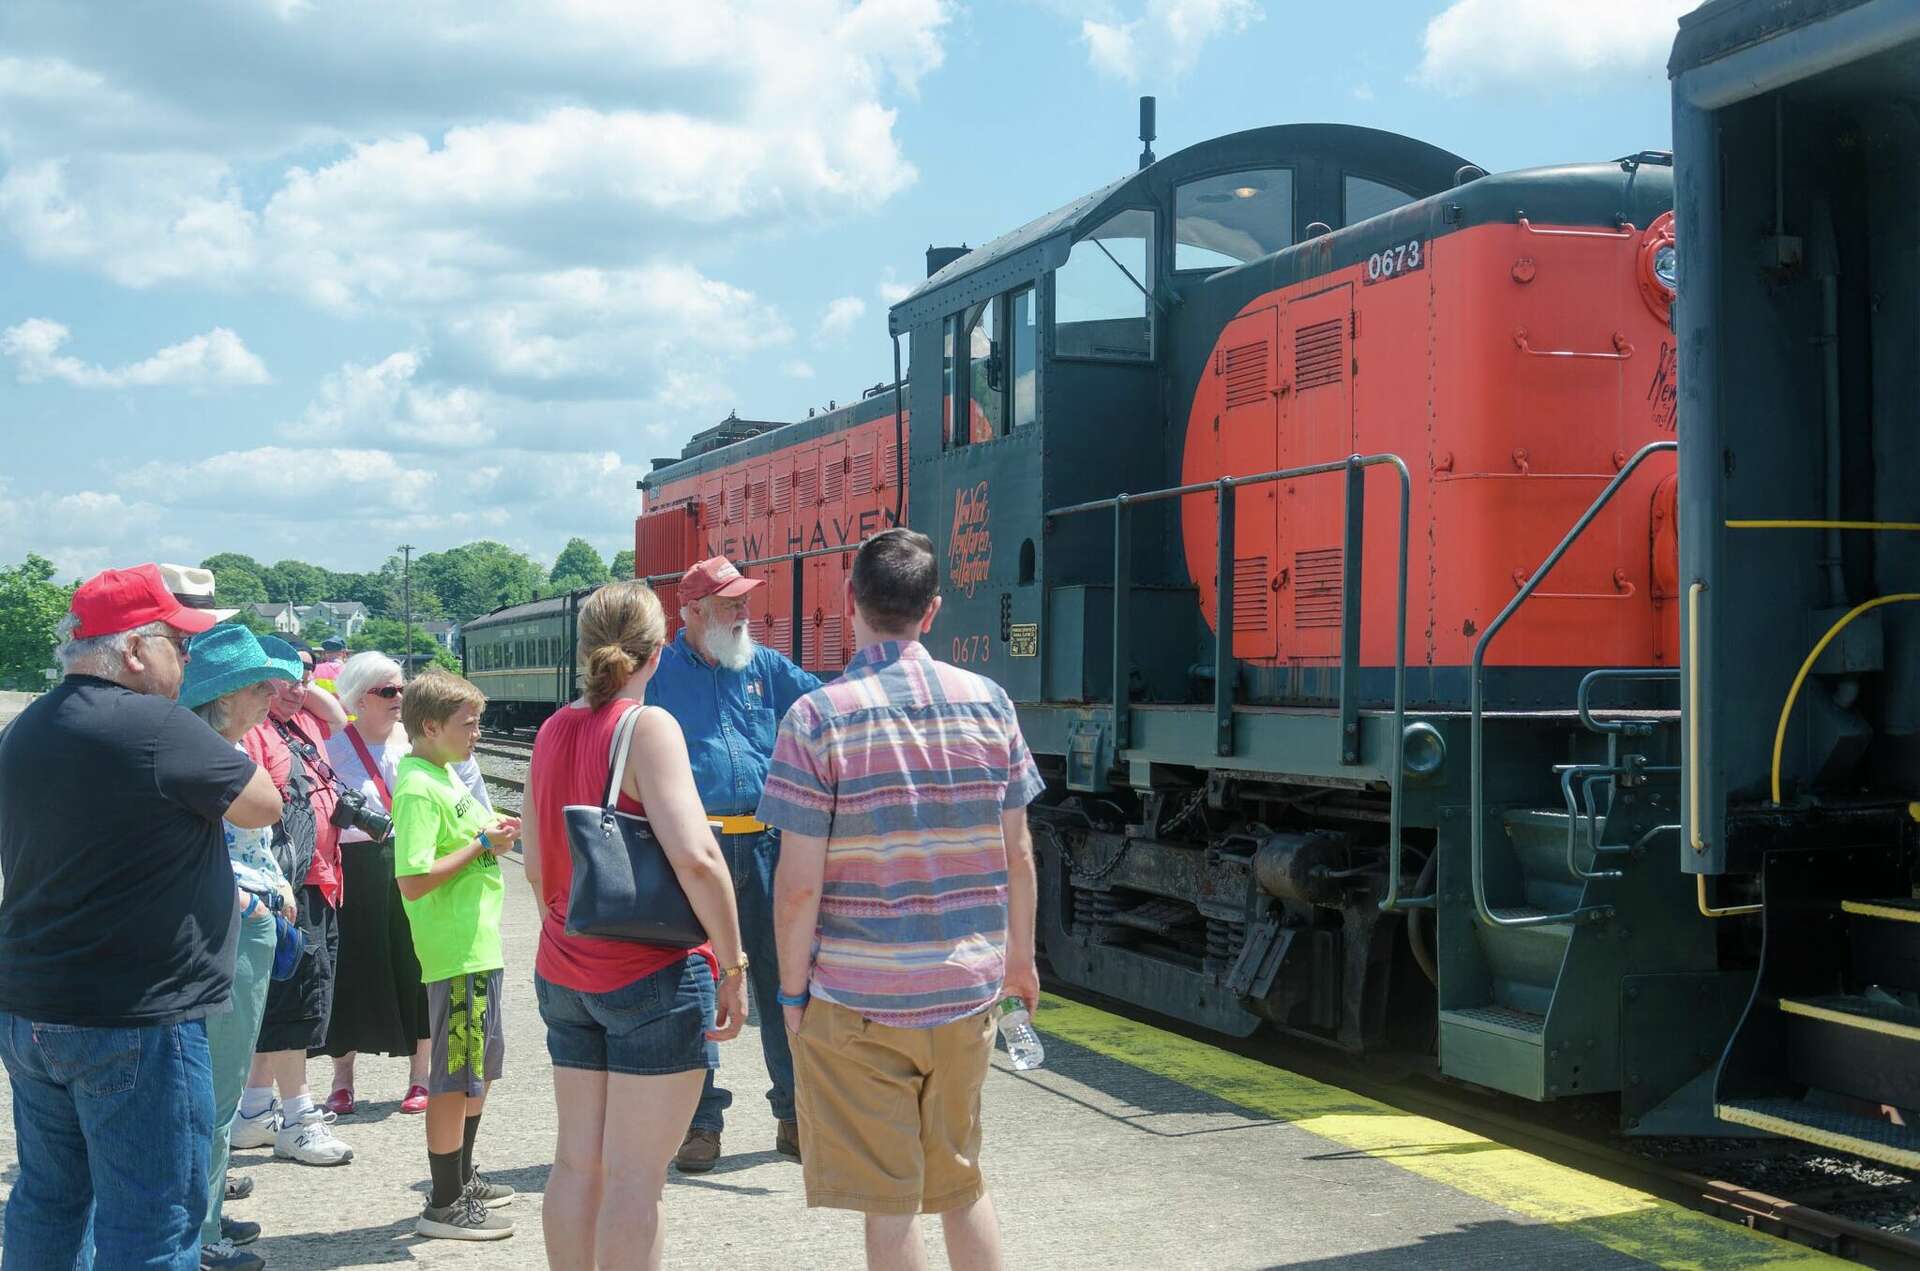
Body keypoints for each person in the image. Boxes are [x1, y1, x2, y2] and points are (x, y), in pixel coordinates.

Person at [761, 529, 1045, 1271]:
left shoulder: (817, 718)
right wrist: (1021, 960)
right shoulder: (991, 703)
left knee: (888, 1204)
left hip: (859, 999)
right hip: (965, 987)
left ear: (848, 600)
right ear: (934, 610)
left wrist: (792, 994)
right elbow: (1018, 852)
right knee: (960, 1180)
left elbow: (797, 888)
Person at [0, 565, 282, 1269]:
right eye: (177, 644)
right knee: (153, 1219)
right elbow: (263, 801)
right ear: (133, 651)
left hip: (33, 1007)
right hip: (135, 1015)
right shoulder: (154, 724)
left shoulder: (28, 724)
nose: (188, 661)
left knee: (49, 1200)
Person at [522, 578, 750, 1271]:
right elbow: (699, 857)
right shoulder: (647, 726)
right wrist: (734, 964)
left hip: (563, 970)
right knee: (634, 1181)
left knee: (575, 1165)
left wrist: (564, 936)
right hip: (649, 975)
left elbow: (535, 863)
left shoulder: (554, 728)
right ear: (655, 654)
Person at [645, 554, 820, 1172]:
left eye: (746, 601)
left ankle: (795, 1117)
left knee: (784, 983)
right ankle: (700, 1124)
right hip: (695, 849)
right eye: (730, 604)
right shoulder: (658, 673)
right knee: (695, 984)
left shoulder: (765, 666)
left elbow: (830, 706)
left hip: (769, 846)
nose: (746, 613)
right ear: (690, 612)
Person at [320, 652, 494, 1115]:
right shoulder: (333, 749)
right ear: (357, 699)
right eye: (388, 691)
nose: (400, 698)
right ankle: (342, 1080)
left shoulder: (420, 746)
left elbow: (472, 799)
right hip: (355, 867)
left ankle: (420, 1076)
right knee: (352, 973)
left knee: (416, 969)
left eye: (402, 688)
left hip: (417, 863)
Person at [181, 624, 304, 1271]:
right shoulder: (209, 755)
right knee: (219, 1091)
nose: (272, 693)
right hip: (232, 930)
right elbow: (264, 812)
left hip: (239, 924)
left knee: (217, 1090)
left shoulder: (208, 745)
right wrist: (251, 902)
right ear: (226, 696)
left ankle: (204, 1218)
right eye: (260, 684)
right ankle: (201, 1240)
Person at [390, 670, 523, 1240]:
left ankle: (461, 1177)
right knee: (454, 1079)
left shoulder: (443, 775)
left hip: (476, 950)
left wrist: (492, 833)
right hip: (457, 954)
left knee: (475, 1074)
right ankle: (444, 1203)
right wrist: (482, 845)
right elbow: (413, 879)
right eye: (468, 724)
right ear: (430, 726)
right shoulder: (420, 785)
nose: (477, 733)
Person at [230, 638, 356, 1167]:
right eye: (283, 676)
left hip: (321, 878)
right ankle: (298, 1118)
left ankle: (256, 1111)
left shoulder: (301, 720)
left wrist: (302, 687)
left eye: (306, 673)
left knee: (289, 999)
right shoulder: (254, 731)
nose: (299, 684)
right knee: (295, 1002)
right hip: (287, 885)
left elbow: (339, 715)